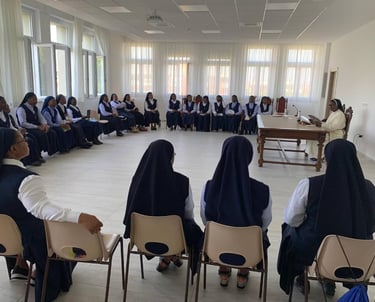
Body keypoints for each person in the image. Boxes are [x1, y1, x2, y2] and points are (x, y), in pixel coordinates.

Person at [0, 128, 103, 302]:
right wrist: (80, 217)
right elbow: (40, 209)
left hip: (6, 240)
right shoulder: (26, 179)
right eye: (22, 139)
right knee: (70, 245)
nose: (27, 141)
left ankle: (20, 266)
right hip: (30, 239)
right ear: (13, 150)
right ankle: (39, 273)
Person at [277, 139, 375, 297]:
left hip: (314, 249)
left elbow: (292, 219)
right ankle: (330, 279)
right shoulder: (369, 188)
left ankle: (301, 275)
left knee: (289, 229)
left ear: (327, 160)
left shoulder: (310, 185)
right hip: (358, 255)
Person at [201, 136, 272, 289]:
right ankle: (244, 269)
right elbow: (265, 223)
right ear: (249, 157)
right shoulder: (263, 190)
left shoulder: (209, 187)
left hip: (216, 246)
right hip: (250, 248)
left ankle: (223, 267)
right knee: (259, 233)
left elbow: (205, 218)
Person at [123, 139, 203, 273]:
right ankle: (172, 254)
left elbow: (130, 209)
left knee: (159, 226)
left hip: (143, 237)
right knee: (193, 231)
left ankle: (166, 256)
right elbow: (188, 213)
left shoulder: (137, 180)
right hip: (175, 238)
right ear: (170, 158)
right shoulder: (182, 182)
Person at [0, 96, 43, 166]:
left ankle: (35, 158)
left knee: (31, 138)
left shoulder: (5, 114)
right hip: (3, 138)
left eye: (5, 102)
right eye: (2, 103)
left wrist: (18, 131)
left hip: (11, 134)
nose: (5, 104)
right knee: (25, 141)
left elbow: (11, 126)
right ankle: (27, 161)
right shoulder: (21, 109)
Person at [16, 92, 59, 156]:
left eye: (36, 99)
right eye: (34, 99)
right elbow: (23, 123)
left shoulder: (35, 108)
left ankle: (51, 150)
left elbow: (41, 118)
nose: (36, 101)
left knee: (51, 132)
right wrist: (37, 127)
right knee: (40, 135)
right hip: (28, 128)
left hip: (37, 126)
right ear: (28, 99)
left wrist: (45, 125)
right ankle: (38, 154)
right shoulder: (21, 109)